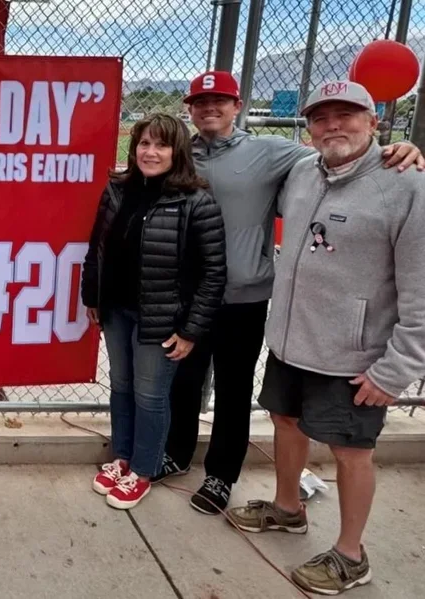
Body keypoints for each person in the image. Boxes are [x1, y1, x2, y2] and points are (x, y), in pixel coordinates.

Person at [157, 70, 424, 515]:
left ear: (237, 106)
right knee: (183, 382)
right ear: (190, 110)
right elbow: (144, 170)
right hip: (190, 295)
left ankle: (221, 475)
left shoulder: (273, 151)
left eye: (220, 100)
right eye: (200, 102)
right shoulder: (181, 152)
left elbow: (343, 158)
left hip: (243, 297)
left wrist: (403, 151)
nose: (209, 108)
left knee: (233, 390)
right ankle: (176, 452)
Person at [227, 80, 425, 595]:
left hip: (354, 357)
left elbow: (422, 292)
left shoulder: (407, 184)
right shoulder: (302, 172)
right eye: (321, 117)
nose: (333, 125)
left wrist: (396, 370)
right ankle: (288, 508)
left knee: (350, 451)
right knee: (286, 421)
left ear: (374, 122)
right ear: (309, 128)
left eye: (346, 115)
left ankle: (351, 555)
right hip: (292, 342)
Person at [81, 113, 226, 510]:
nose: (151, 152)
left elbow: (214, 273)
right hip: (116, 310)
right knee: (121, 386)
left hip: (161, 320)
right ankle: (122, 457)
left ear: (177, 151)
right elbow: (96, 248)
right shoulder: (117, 190)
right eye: (144, 143)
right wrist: (92, 297)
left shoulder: (197, 201)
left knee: (150, 395)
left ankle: (143, 470)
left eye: (161, 145)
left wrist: (191, 330)